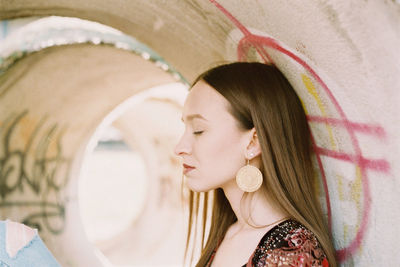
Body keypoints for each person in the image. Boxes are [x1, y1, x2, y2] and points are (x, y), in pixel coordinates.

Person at [174, 62, 337, 267]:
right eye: (185, 128)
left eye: (198, 130)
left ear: (253, 142)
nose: (179, 147)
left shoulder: (293, 255)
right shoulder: (227, 234)